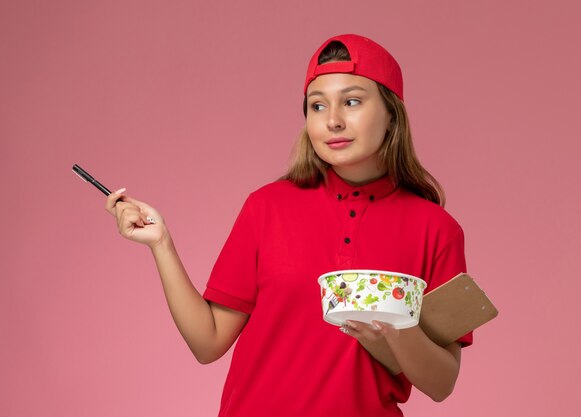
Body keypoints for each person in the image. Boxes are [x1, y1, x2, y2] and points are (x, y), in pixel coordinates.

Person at [105, 34, 473, 417]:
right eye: (317, 106)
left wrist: (399, 330)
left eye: (352, 101)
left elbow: (441, 384)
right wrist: (161, 243)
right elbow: (208, 342)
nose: (332, 121)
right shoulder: (267, 207)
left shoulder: (438, 229)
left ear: (392, 114)